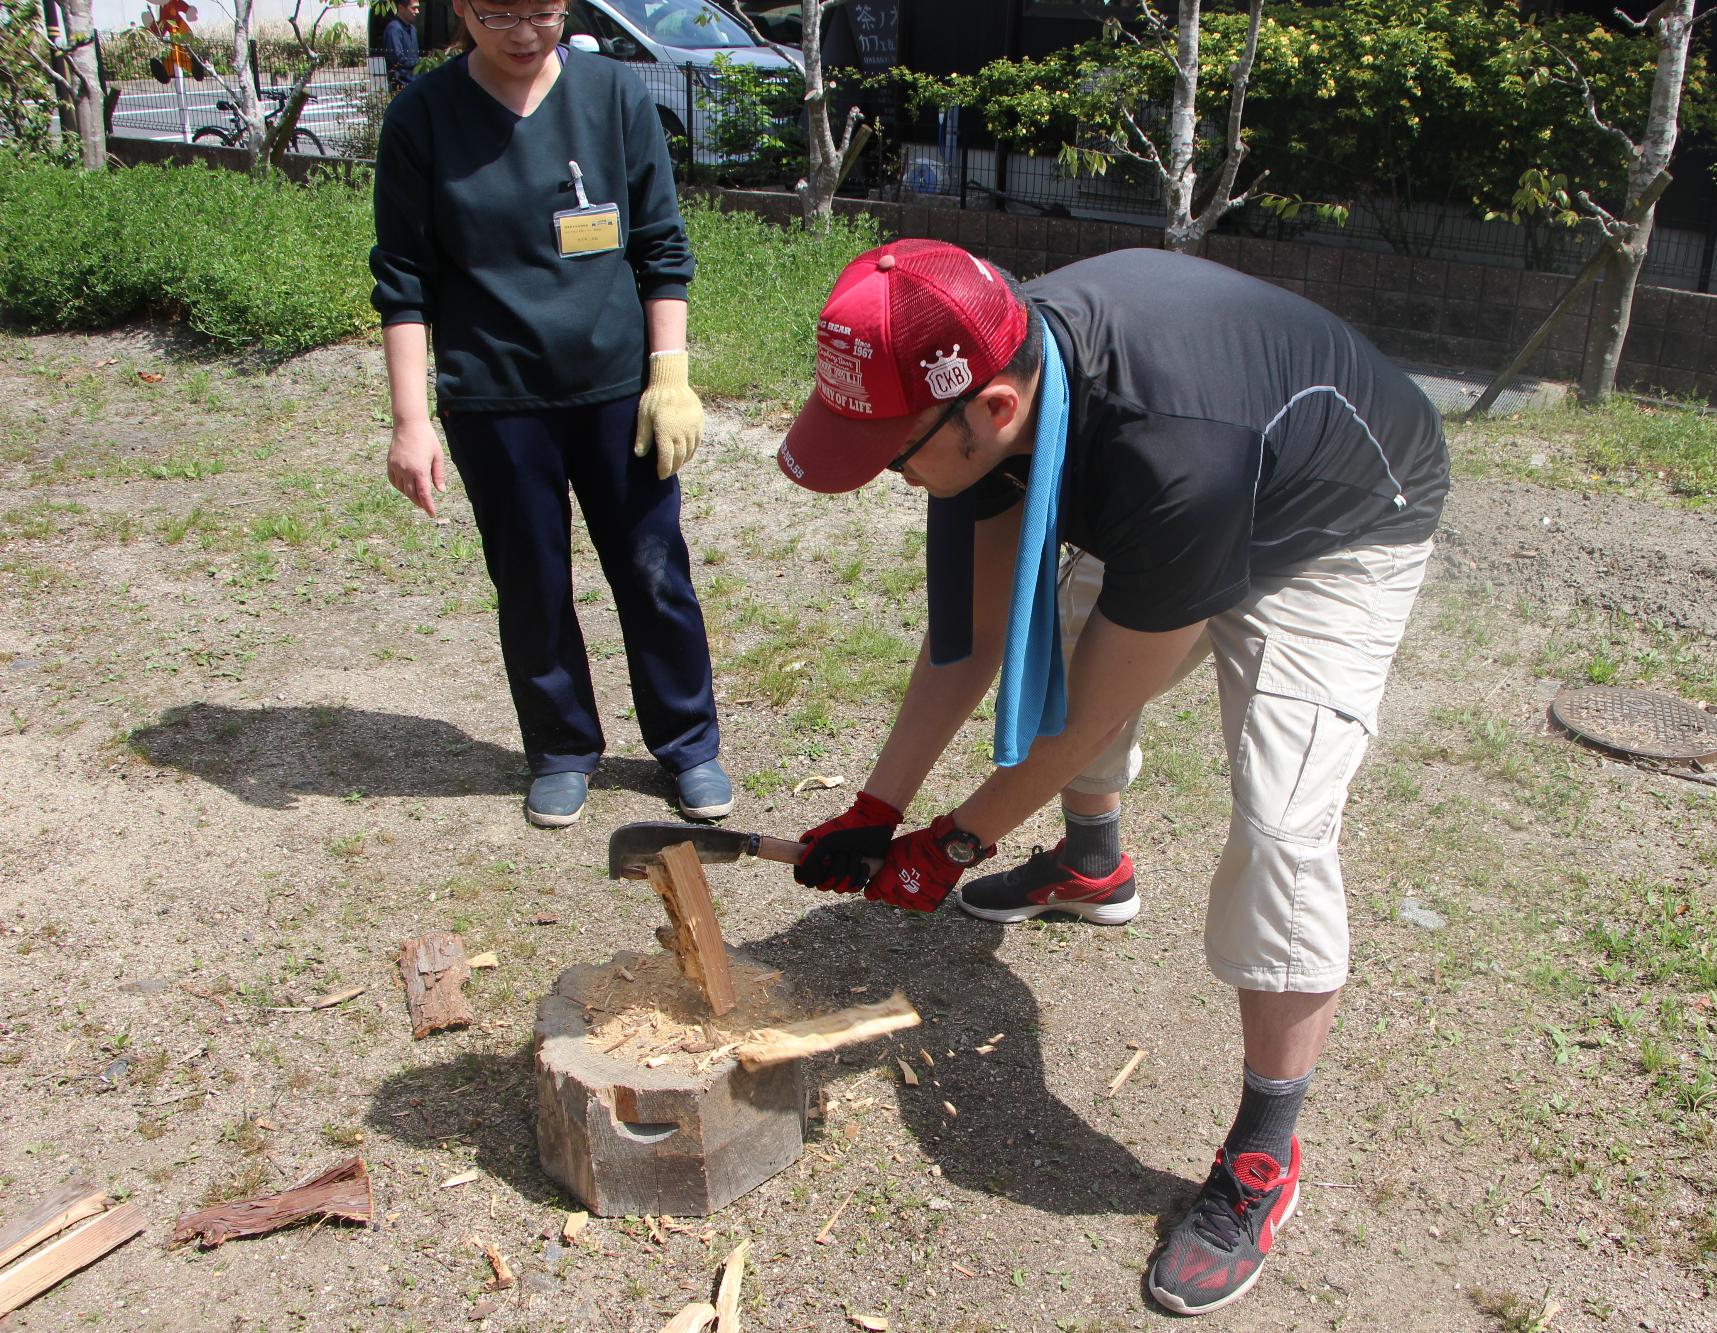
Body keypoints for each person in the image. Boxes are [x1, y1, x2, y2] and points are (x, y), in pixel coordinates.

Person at [776, 240, 1449, 1317]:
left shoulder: (1166, 457)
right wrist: (876, 807)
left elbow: (1092, 702)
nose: (889, 476)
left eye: (892, 457)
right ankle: (1093, 865)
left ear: (993, 409)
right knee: (1069, 640)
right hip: (1202, 468)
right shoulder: (973, 363)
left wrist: (952, 844)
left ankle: (1263, 1153)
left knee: (1279, 826)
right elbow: (976, 638)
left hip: (1336, 514)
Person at [370, 0, 732, 829]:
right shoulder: (422, 117)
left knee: (652, 568)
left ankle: (689, 744)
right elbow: (402, 277)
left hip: (617, 390)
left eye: (543, 10)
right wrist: (410, 419)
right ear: (460, 8)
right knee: (530, 580)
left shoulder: (613, 95)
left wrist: (668, 374)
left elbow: (661, 246)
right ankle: (563, 747)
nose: (526, 33)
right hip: (495, 396)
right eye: (500, 14)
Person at [384, 0, 420, 92]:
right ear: (401, 8)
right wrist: (421, 63)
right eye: (413, 8)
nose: (417, 11)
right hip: (401, 85)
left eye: (417, 8)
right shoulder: (394, 29)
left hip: (415, 83)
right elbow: (397, 59)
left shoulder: (413, 29)